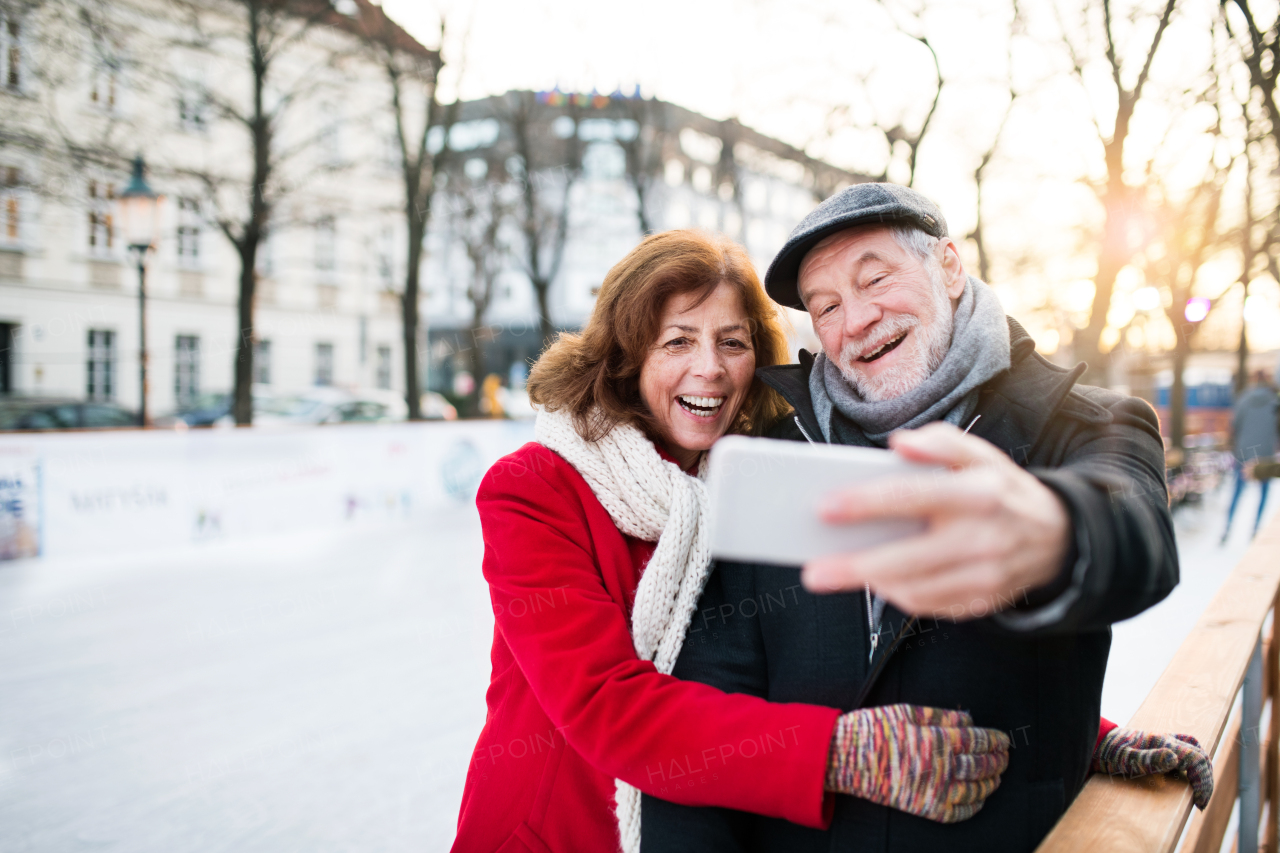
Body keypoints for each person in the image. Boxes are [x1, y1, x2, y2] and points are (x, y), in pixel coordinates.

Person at [641, 184, 1209, 852]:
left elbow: (1137, 535)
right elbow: (711, 720)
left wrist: (1055, 531)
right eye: (826, 306)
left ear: (948, 265)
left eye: (875, 278)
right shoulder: (775, 460)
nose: (855, 319)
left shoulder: (1088, 423)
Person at [452, 230, 1015, 853]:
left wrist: (1066, 728)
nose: (710, 369)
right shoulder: (534, 489)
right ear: (625, 357)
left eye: (732, 342)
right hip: (556, 835)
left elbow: (865, 634)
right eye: (678, 342)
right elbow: (605, 706)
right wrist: (835, 754)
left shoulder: (758, 479)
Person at [1221, 370, 1278, 543]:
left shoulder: (1243, 399)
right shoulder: (1275, 401)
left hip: (1244, 452)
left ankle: (1227, 529)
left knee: (1237, 492)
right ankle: (1255, 528)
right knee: (1263, 494)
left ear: (1254, 380)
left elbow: (1234, 425)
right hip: (1266, 454)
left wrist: (1233, 446)